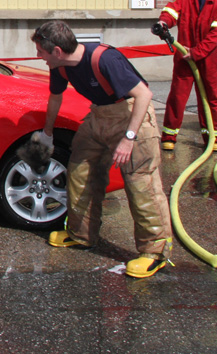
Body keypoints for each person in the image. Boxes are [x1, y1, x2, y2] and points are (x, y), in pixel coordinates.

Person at [29, 20, 172, 279]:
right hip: (99, 116)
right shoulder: (59, 66)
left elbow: (143, 95)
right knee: (79, 171)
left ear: (57, 51)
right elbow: (56, 97)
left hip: (132, 118)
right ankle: (81, 234)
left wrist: (129, 138)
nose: (39, 56)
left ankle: (155, 252)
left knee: (141, 183)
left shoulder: (105, 59)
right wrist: (47, 133)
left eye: (41, 51)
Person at [154, 0, 217, 152]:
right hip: (184, 58)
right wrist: (163, 23)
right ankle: (169, 136)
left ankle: (213, 137)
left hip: (207, 59)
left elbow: (216, 34)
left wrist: (196, 52)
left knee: (210, 98)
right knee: (177, 97)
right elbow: (170, 13)